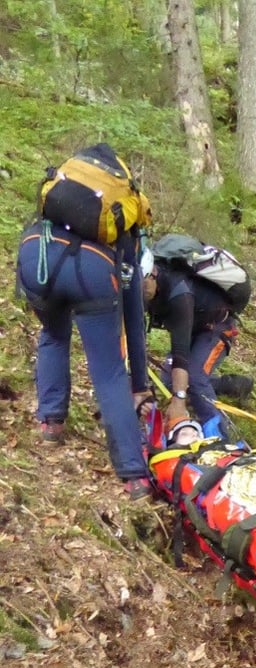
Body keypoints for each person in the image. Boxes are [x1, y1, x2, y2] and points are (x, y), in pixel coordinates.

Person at [17, 204, 152, 501]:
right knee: (109, 372)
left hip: (36, 253)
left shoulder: (60, 201)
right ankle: (134, 476)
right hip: (91, 272)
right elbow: (133, 319)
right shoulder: (127, 229)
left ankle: (51, 424)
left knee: (53, 335)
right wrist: (140, 385)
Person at [141, 250, 251, 433]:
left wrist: (179, 401)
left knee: (195, 378)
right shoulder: (144, 288)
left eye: (143, 284)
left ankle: (220, 437)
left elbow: (180, 354)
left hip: (217, 327)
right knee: (169, 382)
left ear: (153, 273)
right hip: (192, 326)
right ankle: (232, 385)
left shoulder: (179, 293)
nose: (141, 291)